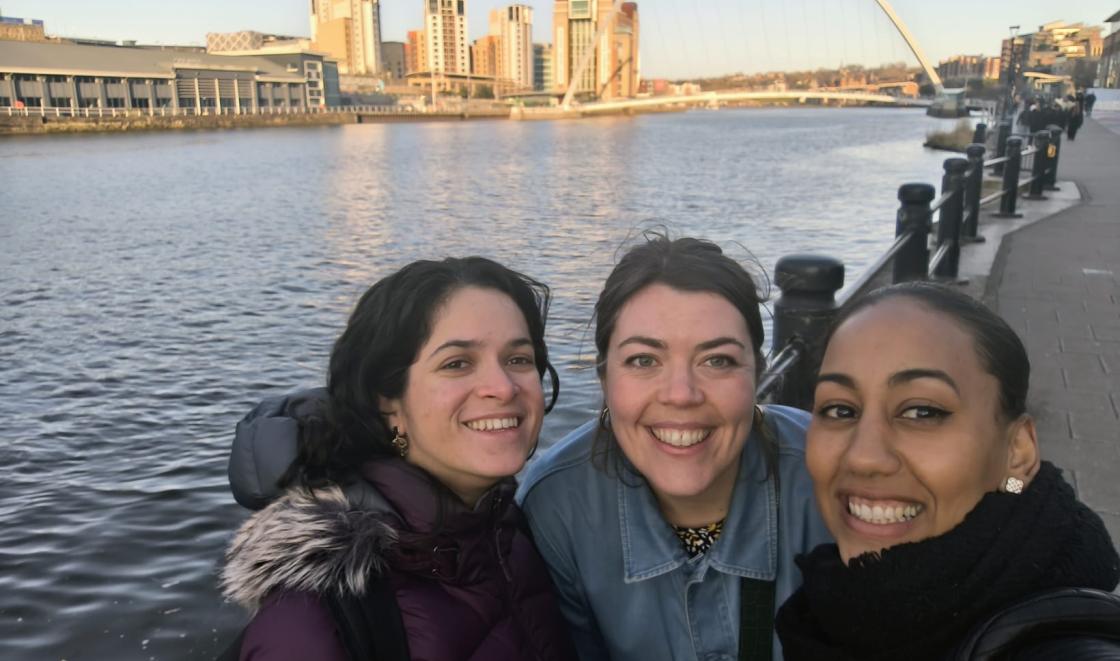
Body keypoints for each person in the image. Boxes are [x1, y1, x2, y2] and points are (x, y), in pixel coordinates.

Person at [219, 257, 576, 661]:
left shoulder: (508, 531)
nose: (503, 387)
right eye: (457, 363)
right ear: (387, 402)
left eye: (518, 359)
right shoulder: (319, 614)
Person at [518, 233, 831, 661]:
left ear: (756, 375)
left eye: (717, 360)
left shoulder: (827, 476)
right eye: (644, 360)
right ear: (605, 379)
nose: (681, 395)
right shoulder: (557, 508)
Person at [776, 282, 1120, 661]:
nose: (863, 458)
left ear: (1018, 451)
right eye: (840, 410)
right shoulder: (827, 609)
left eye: (922, 411)